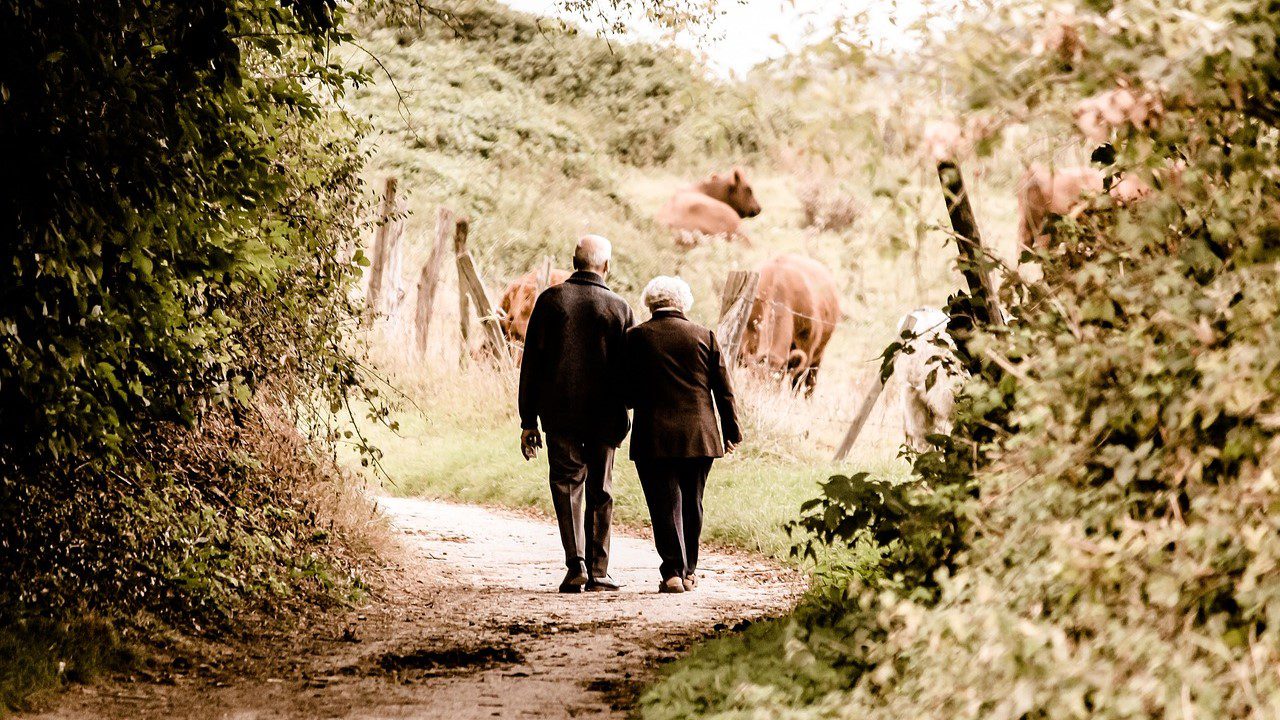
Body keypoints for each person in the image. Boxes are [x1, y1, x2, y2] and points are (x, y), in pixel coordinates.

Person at [518, 235, 635, 593]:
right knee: (601, 488)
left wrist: (528, 421)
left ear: (573, 261)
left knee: (567, 486)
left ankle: (576, 566)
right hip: (606, 416)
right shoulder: (619, 307)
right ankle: (600, 571)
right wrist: (627, 407)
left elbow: (531, 365)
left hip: (560, 413)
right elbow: (629, 369)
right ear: (607, 267)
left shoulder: (551, 301)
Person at [624, 276, 741, 594]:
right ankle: (689, 571)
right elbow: (724, 390)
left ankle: (672, 572)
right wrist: (731, 431)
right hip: (700, 435)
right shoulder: (704, 336)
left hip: (653, 436)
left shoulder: (635, 337)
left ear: (650, 302)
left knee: (664, 503)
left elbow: (627, 392)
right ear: (683, 302)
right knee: (693, 501)